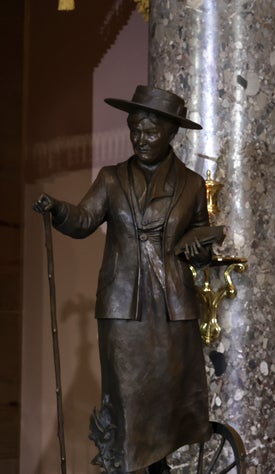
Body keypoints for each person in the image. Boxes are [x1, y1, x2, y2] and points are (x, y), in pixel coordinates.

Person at [33, 85, 218, 473]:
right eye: (135, 130)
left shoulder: (191, 185)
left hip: (172, 304)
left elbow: (201, 235)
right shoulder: (112, 179)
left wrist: (201, 250)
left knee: (168, 391)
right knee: (126, 393)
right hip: (122, 301)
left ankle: (159, 463)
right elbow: (84, 220)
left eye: (151, 132)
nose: (142, 139)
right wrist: (58, 211)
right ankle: (130, 462)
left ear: (171, 134)